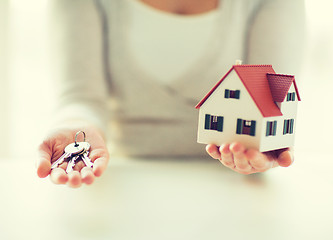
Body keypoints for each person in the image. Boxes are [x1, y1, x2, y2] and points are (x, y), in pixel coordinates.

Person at [36, 0, 305, 188]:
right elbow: (81, 96)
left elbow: (271, 98)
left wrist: (268, 147)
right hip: (122, 182)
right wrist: (73, 124)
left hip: (239, 188)